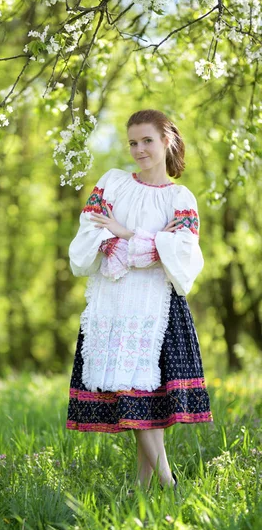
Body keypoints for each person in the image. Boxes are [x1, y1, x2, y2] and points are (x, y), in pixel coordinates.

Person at [65, 109, 214, 494]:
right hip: (111, 306)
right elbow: (90, 238)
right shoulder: (112, 184)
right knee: (130, 393)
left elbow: (183, 254)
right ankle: (156, 484)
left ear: (167, 141)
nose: (139, 149)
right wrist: (149, 241)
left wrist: (126, 233)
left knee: (144, 397)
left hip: (155, 307)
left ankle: (155, 484)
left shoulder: (181, 198)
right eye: (133, 142)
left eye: (147, 140)